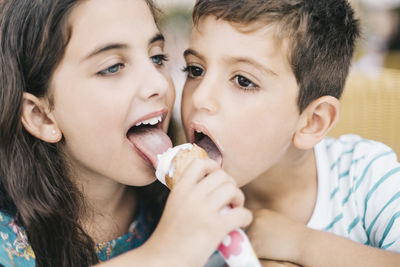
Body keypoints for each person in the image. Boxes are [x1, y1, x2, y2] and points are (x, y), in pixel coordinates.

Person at [0, 0, 252, 266]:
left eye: (157, 57)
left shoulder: (182, 206)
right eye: (112, 67)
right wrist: (164, 254)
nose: (158, 83)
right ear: (41, 116)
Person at [181, 0, 400, 266]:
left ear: (312, 122)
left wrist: (300, 243)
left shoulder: (365, 176)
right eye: (195, 70)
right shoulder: (188, 219)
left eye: (243, 81)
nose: (200, 97)